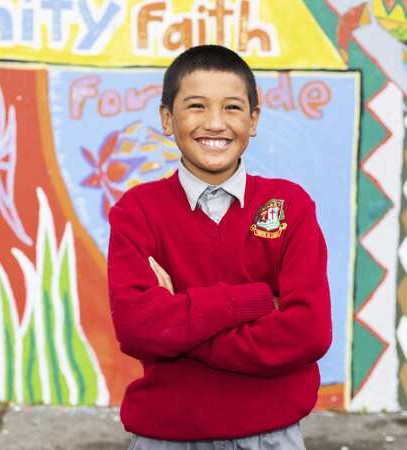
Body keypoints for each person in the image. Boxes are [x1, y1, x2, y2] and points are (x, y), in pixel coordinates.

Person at [107, 44, 332, 449]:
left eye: (232, 107)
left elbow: (309, 331)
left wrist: (180, 320)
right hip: (165, 435)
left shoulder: (290, 206)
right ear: (166, 118)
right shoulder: (137, 211)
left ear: (253, 120)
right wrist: (256, 300)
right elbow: (137, 327)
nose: (214, 123)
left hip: (270, 436)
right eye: (195, 105)